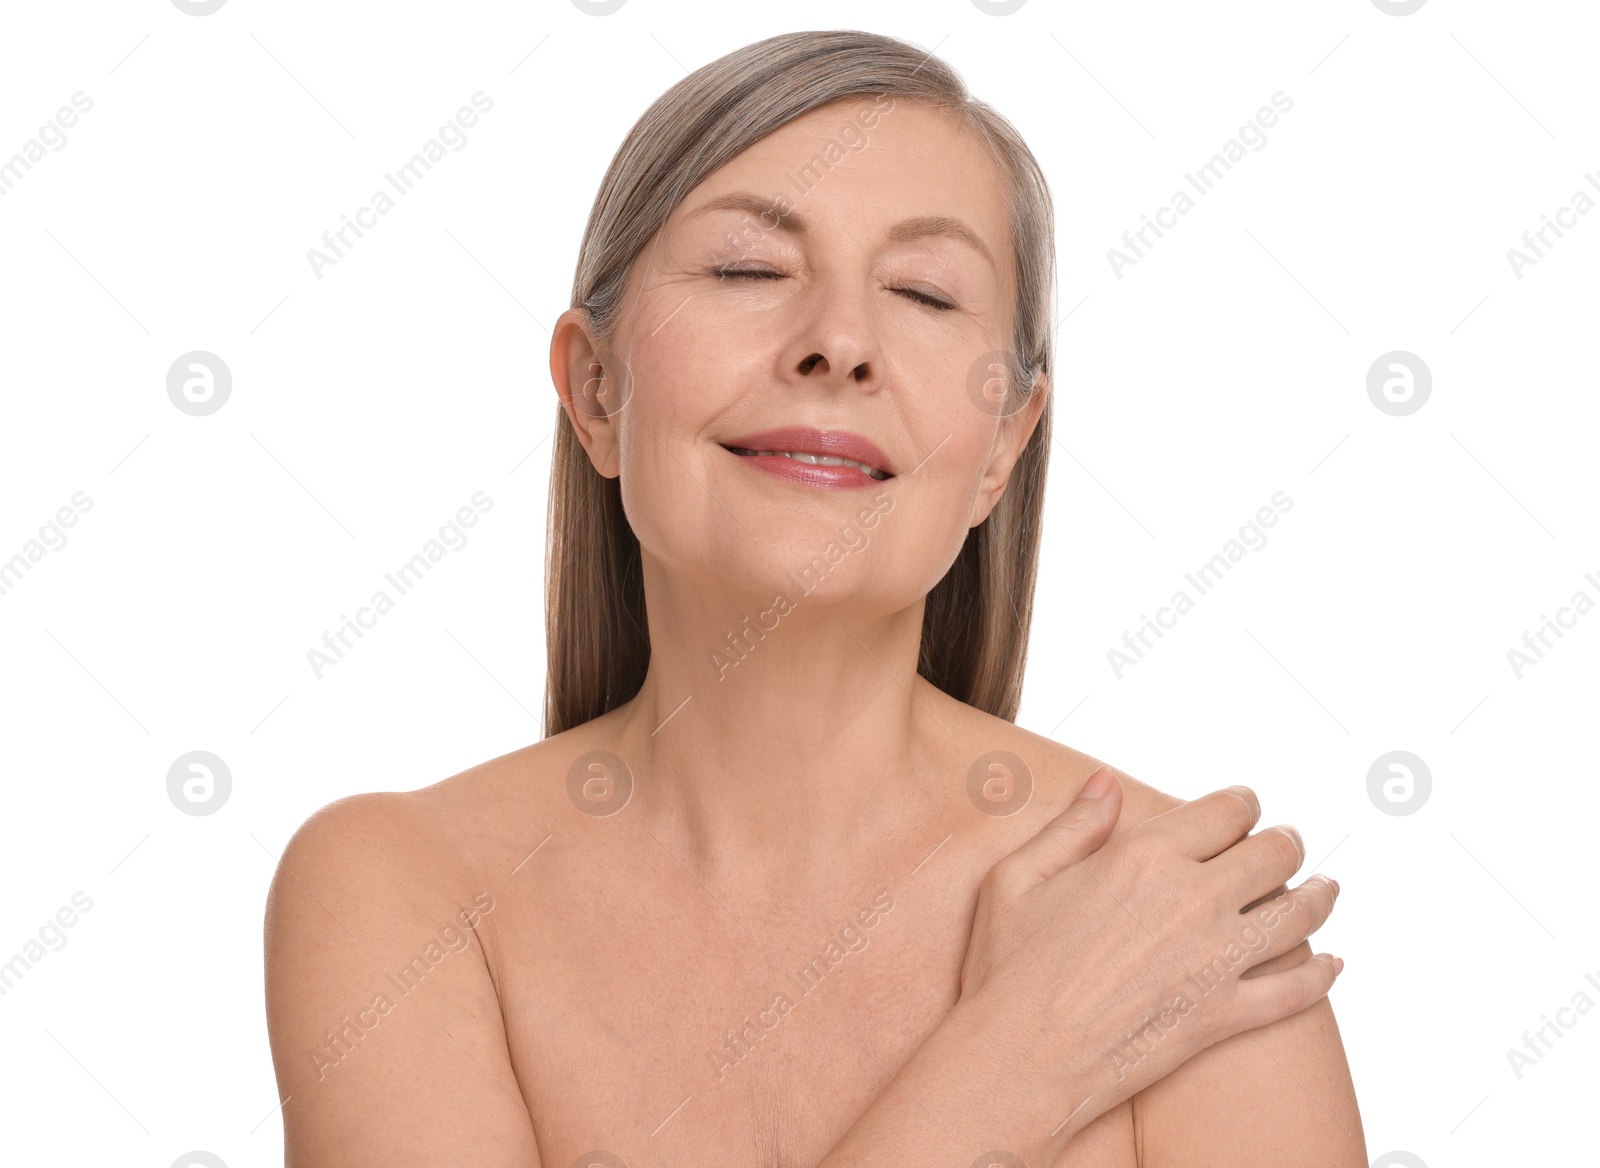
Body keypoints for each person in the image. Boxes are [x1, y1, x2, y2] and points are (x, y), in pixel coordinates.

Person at [265, 29, 1362, 1167]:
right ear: (595, 391)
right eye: (749, 269)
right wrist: (1021, 1057)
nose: (838, 342)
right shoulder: (401, 887)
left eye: (924, 292)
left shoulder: (1183, 921)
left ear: (1001, 447)